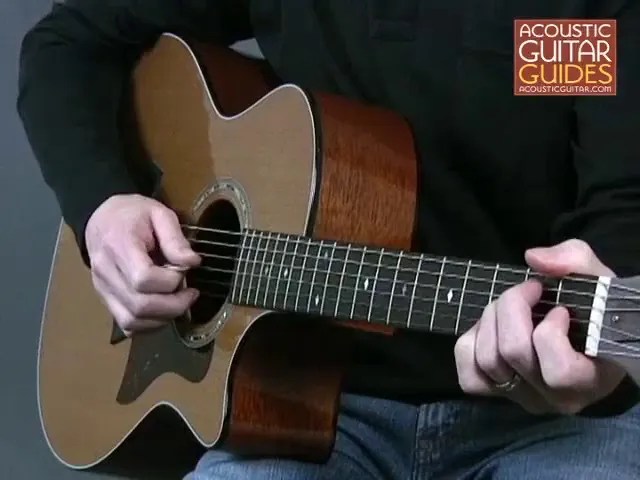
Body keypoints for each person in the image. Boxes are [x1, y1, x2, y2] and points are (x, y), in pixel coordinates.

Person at [17, 1, 640, 479]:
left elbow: (623, 209)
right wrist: (102, 206)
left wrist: (603, 366)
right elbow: (68, 43)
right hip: (303, 409)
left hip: (557, 425)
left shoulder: (573, 17)